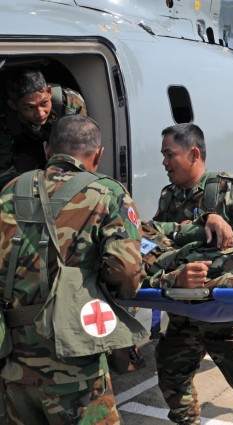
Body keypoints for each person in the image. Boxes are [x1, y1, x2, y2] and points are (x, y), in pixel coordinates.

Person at [0, 114, 144, 424]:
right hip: (76, 360)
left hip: (15, 361)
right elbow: (127, 271)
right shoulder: (108, 193)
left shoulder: (10, 190)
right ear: (98, 154)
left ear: (47, 149)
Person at [152, 123, 233, 425]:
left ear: (193, 154)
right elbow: (154, 238)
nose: (164, 163)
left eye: (169, 154)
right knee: (172, 378)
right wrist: (197, 227)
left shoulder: (229, 186)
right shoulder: (168, 196)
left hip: (226, 314)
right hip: (183, 310)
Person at [0, 67, 86, 189]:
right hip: (23, 152)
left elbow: (78, 151)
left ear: (49, 92)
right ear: (13, 105)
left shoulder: (70, 103)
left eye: (44, 103)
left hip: (60, 151)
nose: (40, 113)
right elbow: (3, 166)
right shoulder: (5, 117)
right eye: (29, 108)